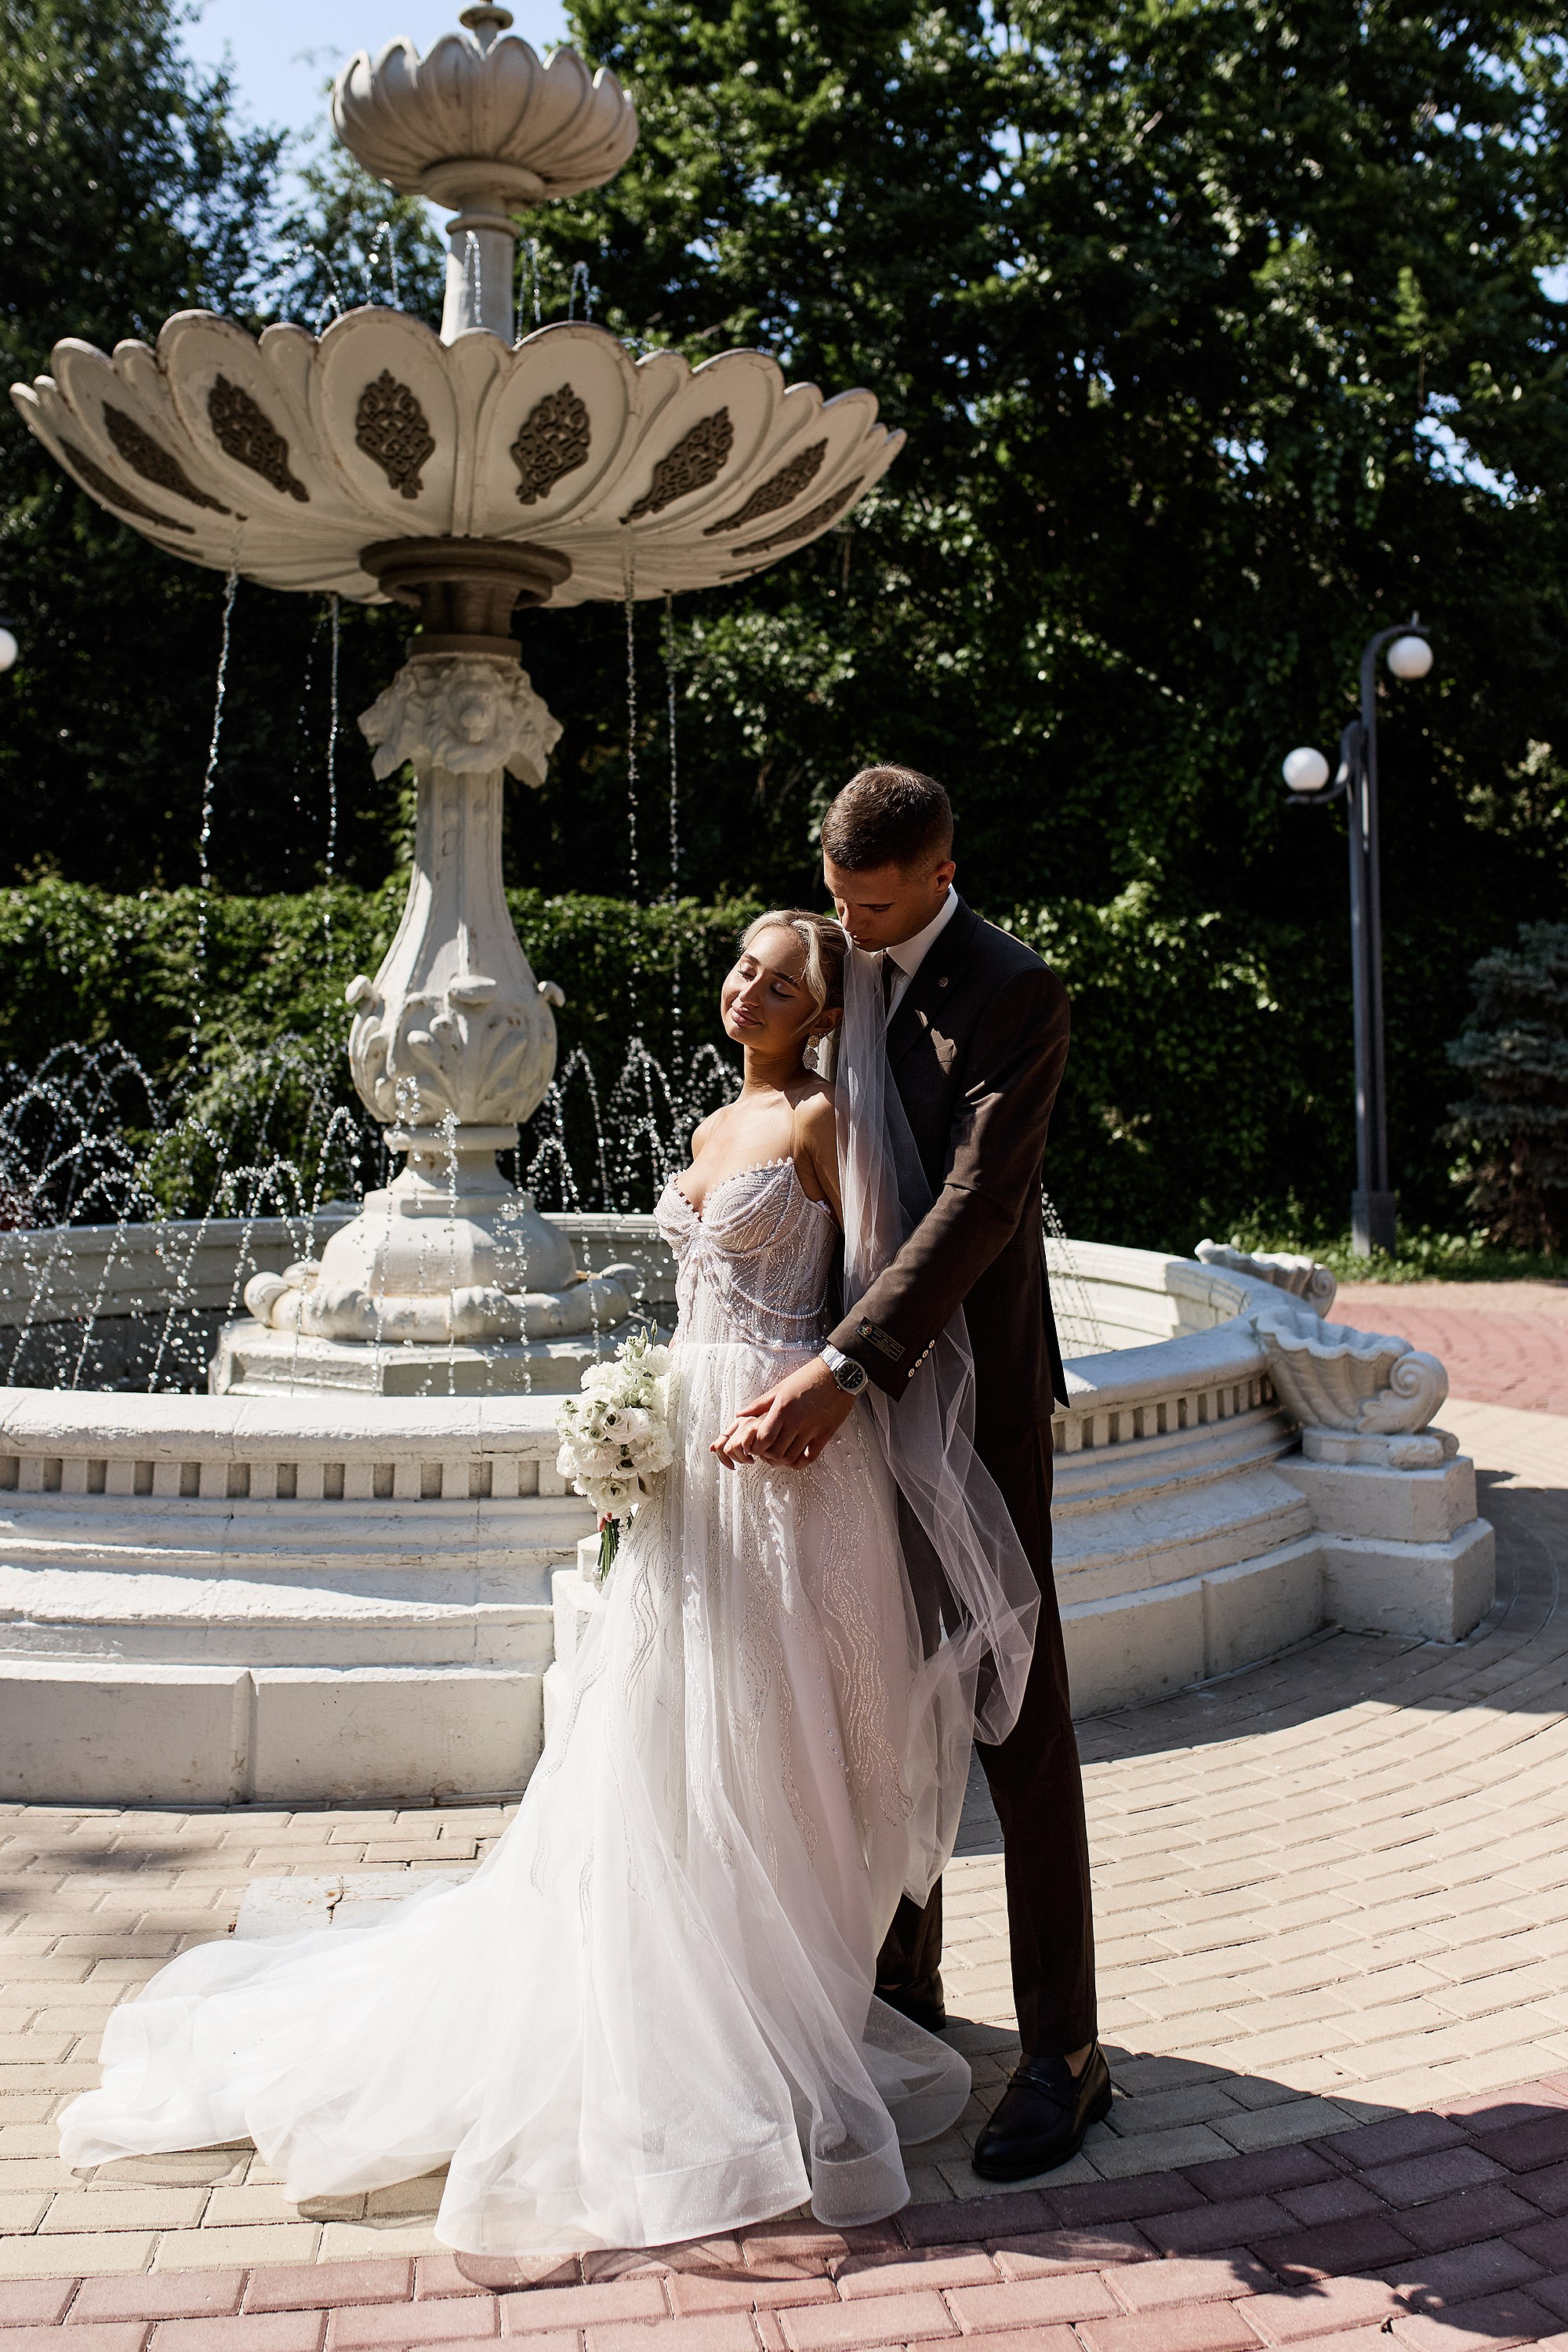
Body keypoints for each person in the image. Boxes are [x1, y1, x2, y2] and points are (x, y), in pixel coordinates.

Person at [56, 907, 1040, 2252]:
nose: (749, 991)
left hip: (796, 1473)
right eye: (744, 968)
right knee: (666, 1733)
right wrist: (634, 1422)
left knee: (788, 1739)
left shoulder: (827, 1125)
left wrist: (818, 1401)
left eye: (782, 982)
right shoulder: (707, 1129)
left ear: (826, 1014)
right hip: (692, 1466)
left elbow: (873, 1310)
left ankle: (775, 2001)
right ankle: (685, 1987)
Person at [728, 766, 1106, 2180]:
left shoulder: (1018, 992)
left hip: (964, 1402)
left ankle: (1069, 2056)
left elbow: (980, 1201)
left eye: (875, 904)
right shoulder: (837, 951)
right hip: (832, 1401)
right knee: (869, 1690)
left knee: (1019, 1718)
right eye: (835, 894)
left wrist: (846, 1366)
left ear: (943, 876)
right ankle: (904, 1990)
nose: (849, 923)